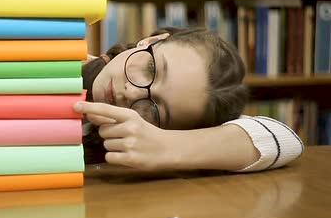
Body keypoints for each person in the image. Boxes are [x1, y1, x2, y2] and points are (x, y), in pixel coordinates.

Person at [74, 27, 303, 172]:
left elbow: (282, 138)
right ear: (151, 41)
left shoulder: (114, 145)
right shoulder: (56, 57)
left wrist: (166, 146)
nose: (132, 92)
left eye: (155, 111)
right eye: (152, 68)